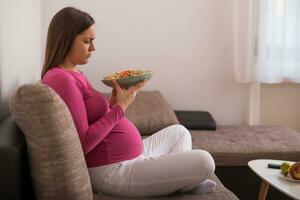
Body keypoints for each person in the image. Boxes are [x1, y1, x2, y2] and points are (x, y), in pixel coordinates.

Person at [41, 7, 216, 197]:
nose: (93, 48)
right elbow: (83, 143)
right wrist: (120, 107)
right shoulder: (61, 79)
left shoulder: (74, 73)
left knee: (179, 132)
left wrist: (112, 103)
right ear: (65, 39)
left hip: (131, 157)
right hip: (112, 171)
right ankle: (184, 184)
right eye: (87, 41)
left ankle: (182, 184)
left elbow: (92, 116)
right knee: (205, 161)